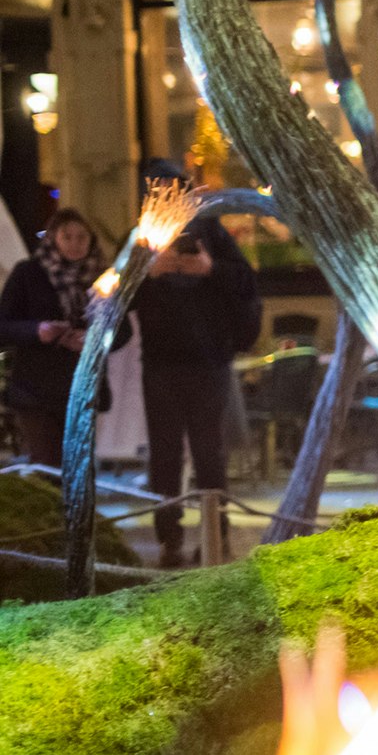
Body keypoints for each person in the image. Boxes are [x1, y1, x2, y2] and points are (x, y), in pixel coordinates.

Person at [132, 165, 262, 568]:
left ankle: (214, 536)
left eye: (178, 190)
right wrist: (146, 274)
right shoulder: (142, 236)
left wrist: (210, 269)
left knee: (210, 455)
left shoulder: (212, 231)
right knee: (164, 457)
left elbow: (244, 283)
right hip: (161, 363)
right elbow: (114, 293)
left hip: (208, 362)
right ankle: (169, 538)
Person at [0, 208, 108, 468]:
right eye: (67, 236)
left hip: (82, 385)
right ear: (53, 238)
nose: (74, 244)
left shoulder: (102, 277)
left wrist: (91, 340)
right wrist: (38, 331)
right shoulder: (29, 273)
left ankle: (75, 510)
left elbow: (120, 328)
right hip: (36, 387)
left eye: (81, 237)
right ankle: (51, 509)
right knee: (46, 463)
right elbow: (4, 325)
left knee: (78, 466)